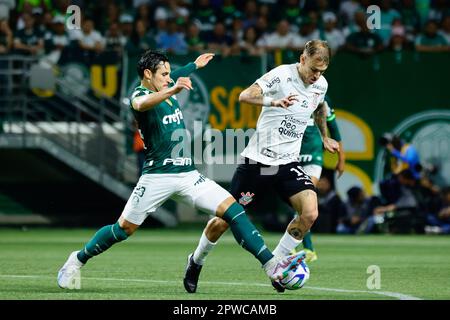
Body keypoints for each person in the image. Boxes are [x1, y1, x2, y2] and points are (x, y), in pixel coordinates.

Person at [57, 50, 305, 290]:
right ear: (147, 74)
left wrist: (195, 65)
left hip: (188, 175)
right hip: (157, 177)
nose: (169, 77)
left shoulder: (165, 84)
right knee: (123, 230)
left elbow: (179, 73)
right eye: (164, 74)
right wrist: (173, 89)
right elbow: (141, 104)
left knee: (234, 211)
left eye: (169, 74)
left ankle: (271, 265)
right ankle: (76, 259)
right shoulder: (140, 95)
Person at [184, 40, 340, 294]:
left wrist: (323, 137)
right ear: (302, 59)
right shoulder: (281, 75)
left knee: (310, 213)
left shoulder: (320, 85)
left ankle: (277, 265)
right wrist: (273, 102)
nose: (316, 76)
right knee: (222, 222)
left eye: (321, 72)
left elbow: (319, 108)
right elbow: (244, 96)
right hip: (258, 163)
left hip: (288, 163)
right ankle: (196, 261)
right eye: (313, 69)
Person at [296, 97, 345, 261]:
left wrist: (341, 159)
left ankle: (307, 249)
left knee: (305, 195)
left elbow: (334, 130)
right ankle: (303, 248)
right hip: (292, 155)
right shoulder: (289, 93)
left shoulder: (321, 97)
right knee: (296, 204)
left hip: (313, 156)